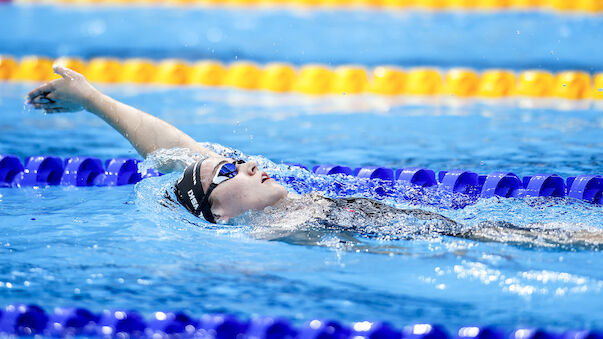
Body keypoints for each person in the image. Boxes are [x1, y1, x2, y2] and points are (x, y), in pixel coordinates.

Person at [26, 66, 603, 249]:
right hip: (462, 238)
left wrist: (94, 100)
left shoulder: (257, 206)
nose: (247, 162)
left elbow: (176, 151)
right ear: (218, 211)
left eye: (234, 161)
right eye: (228, 173)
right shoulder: (268, 232)